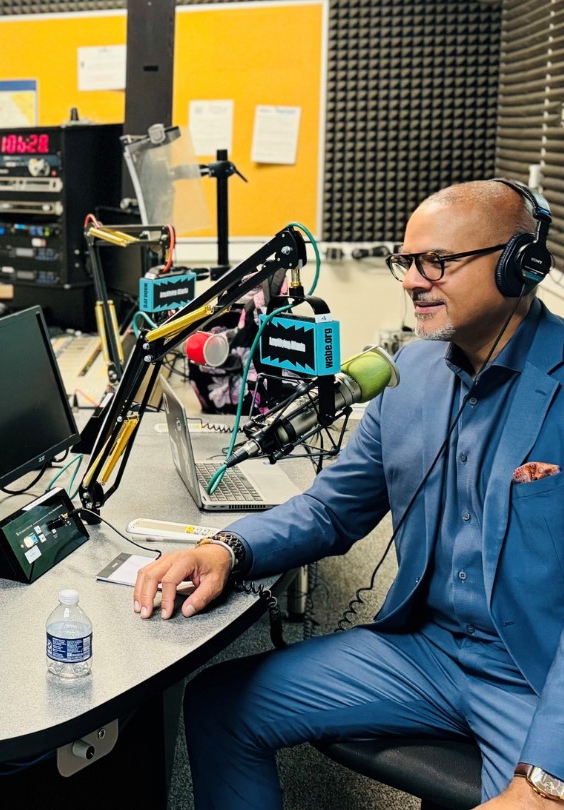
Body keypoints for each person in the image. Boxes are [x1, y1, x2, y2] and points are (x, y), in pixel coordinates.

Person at [133, 179, 564, 810]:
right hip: (428, 653)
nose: (414, 281)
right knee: (221, 705)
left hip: (536, 678)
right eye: (406, 262)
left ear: (517, 264)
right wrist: (225, 549)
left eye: (437, 262)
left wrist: (546, 782)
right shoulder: (407, 375)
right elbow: (330, 509)